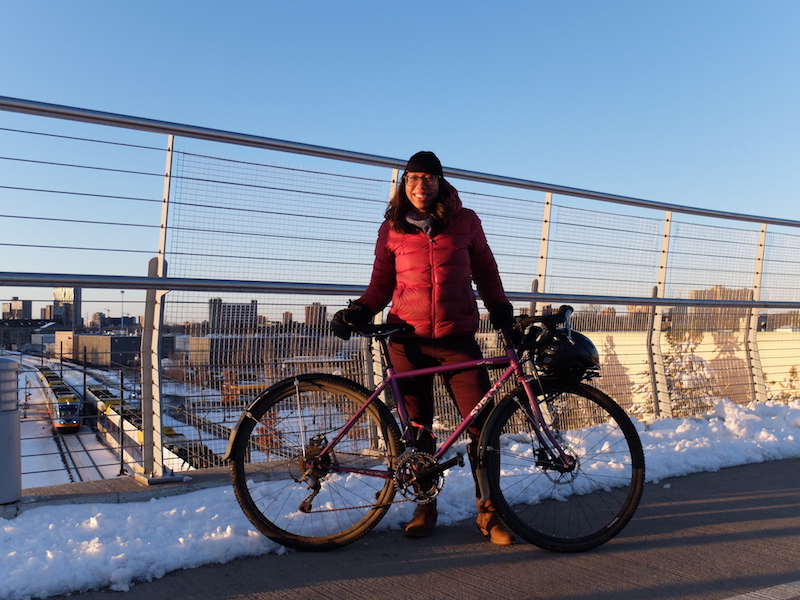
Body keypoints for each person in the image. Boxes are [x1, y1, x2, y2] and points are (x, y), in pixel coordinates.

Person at [332, 151, 515, 545]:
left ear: (441, 182)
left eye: (428, 178)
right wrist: (360, 309)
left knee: (482, 427)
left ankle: (490, 513)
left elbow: (485, 270)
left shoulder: (466, 222)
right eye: (413, 178)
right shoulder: (392, 228)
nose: (421, 185)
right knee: (418, 431)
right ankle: (424, 505)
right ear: (404, 184)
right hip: (406, 341)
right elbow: (381, 283)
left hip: (457, 339)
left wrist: (500, 308)